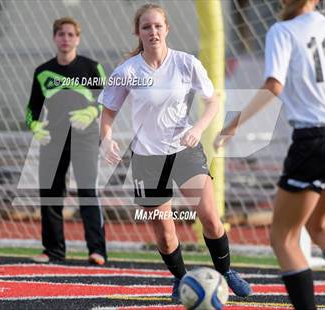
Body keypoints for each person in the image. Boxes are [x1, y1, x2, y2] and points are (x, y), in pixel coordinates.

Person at [99, 3, 251, 302]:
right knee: (165, 235)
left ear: (167, 29)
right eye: (146, 27)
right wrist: (106, 139)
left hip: (184, 151)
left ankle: (226, 272)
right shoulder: (127, 71)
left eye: (158, 26)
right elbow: (107, 114)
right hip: (147, 160)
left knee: (209, 216)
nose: (153, 32)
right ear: (137, 32)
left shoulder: (186, 63)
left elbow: (213, 102)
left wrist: (198, 129)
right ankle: (181, 279)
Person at [214, 0, 325, 308]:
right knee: (319, 224)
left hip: (315, 141)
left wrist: (232, 125)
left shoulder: (282, 30)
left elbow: (273, 87)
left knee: (283, 238)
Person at [26, 17, 107, 265]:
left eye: (71, 34)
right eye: (61, 34)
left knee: (87, 192)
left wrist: (92, 112)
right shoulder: (42, 72)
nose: (66, 38)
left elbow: (106, 100)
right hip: (53, 139)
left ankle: (97, 251)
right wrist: (35, 126)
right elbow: (32, 109)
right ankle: (53, 251)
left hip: (85, 138)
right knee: (50, 195)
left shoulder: (92, 68)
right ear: (54, 38)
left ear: (78, 39)